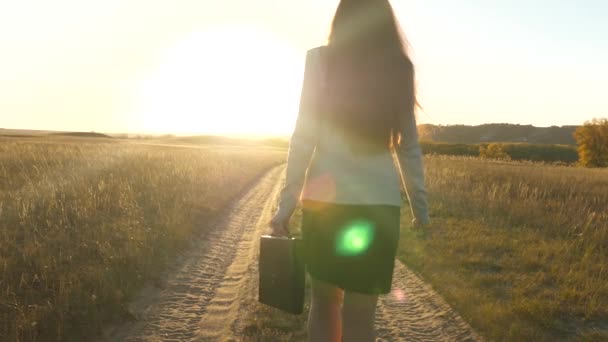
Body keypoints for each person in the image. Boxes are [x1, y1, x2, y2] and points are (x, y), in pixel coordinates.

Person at [269, 0, 430, 341]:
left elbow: (303, 136)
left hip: (326, 206)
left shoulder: (319, 61)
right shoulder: (399, 67)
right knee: (361, 316)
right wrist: (421, 211)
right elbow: (409, 147)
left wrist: (286, 206)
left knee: (324, 306)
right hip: (378, 208)